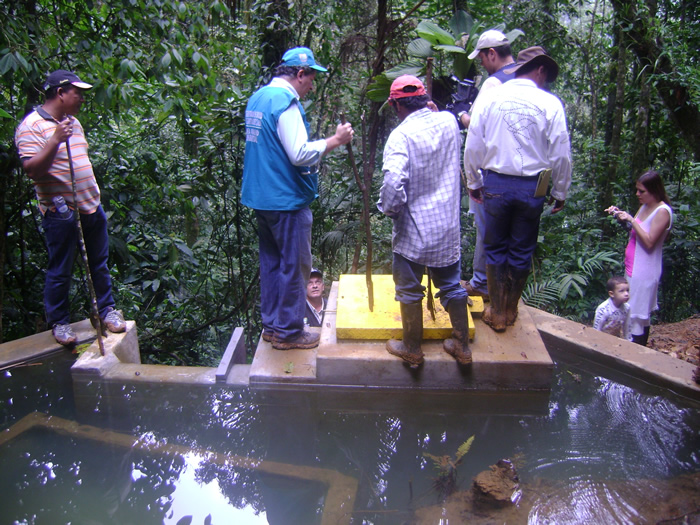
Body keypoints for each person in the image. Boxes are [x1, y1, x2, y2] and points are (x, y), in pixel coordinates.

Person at [240, 47, 353, 350]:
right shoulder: (285, 102)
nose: (311, 87)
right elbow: (299, 153)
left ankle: (272, 326)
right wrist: (335, 140)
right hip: (285, 200)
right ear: (300, 74)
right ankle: (289, 332)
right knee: (294, 266)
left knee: (272, 264)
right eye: (311, 79)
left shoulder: (259, 98)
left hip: (262, 197)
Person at [464, 46, 572, 333]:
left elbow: (473, 143)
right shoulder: (550, 103)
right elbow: (561, 153)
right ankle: (510, 309)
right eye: (546, 75)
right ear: (540, 70)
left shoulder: (492, 97)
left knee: (495, 247)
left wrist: (473, 182)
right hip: (533, 187)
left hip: (496, 184)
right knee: (522, 249)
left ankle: (497, 313)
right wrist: (560, 191)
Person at [15, 69, 126, 347]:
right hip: (60, 213)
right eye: (78, 93)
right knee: (60, 270)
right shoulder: (31, 127)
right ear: (60, 93)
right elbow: (32, 170)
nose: (82, 99)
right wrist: (54, 140)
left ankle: (106, 310)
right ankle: (60, 322)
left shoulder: (73, 122)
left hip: (91, 206)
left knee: (99, 264)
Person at [378, 75, 471, 368]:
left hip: (412, 231)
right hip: (446, 227)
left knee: (409, 289)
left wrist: (390, 209)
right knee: (452, 286)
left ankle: (412, 349)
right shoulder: (448, 122)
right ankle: (462, 346)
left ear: (395, 105)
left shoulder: (401, 136)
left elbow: (393, 183)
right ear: (425, 99)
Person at [456, 29, 517, 301]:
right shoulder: (528, 78)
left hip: (494, 169)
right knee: (514, 234)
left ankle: (482, 282)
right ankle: (504, 287)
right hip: (525, 174)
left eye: (481, 58)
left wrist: (462, 114)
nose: (481, 63)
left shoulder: (494, 83)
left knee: (487, 228)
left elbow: (476, 128)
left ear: (492, 54)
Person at [605, 170, 673, 346]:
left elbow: (649, 242)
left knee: (637, 314)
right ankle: (633, 350)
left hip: (645, 271)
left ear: (654, 190)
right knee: (633, 312)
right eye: (637, 190)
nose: (637, 194)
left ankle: (637, 352)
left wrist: (631, 219)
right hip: (633, 267)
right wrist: (620, 216)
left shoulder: (662, 211)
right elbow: (635, 232)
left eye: (642, 191)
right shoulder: (644, 206)